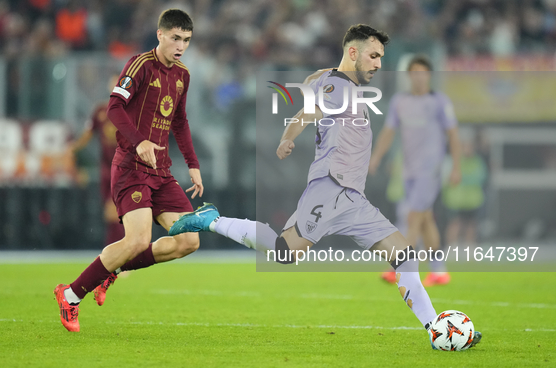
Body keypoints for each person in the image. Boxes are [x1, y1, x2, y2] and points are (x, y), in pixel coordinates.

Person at [167, 25, 480, 349]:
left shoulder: (338, 83)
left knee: (404, 257)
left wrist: (319, 82)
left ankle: (436, 329)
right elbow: (309, 110)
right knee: (284, 252)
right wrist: (289, 136)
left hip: (353, 197)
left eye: (381, 58)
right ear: (353, 53)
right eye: (374, 56)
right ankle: (212, 220)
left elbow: (310, 89)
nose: (378, 64)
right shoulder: (338, 86)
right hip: (330, 189)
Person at [54, 9, 204, 332]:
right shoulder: (140, 65)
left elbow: (179, 121)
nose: (181, 46)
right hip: (131, 167)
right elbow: (113, 107)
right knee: (137, 240)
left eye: (187, 40)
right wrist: (139, 142)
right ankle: (69, 294)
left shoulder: (182, 75)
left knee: (189, 241)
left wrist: (192, 163)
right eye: (175, 38)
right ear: (160, 34)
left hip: (161, 172)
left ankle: (114, 269)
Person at [369, 55, 462, 287]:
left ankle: (400, 267)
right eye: (414, 72)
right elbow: (389, 131)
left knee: (413, 217)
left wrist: (456, 167)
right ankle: (439, 271)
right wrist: (377, 157)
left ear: (429, 75)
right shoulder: (400, 101)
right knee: (425, 219)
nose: (419, 77)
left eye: (423, 72)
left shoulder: (440, 101)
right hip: (409, 171)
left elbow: (453, 134)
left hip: (430, 170)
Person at [69, 75, 125, 246]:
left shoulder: (131, 111)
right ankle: (119, 252)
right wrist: (73, 147)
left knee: (113, 212)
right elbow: (87, 135)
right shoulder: (100, 110)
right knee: (111, 213)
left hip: (124, 169)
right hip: (105, 169)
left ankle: (117, 253)